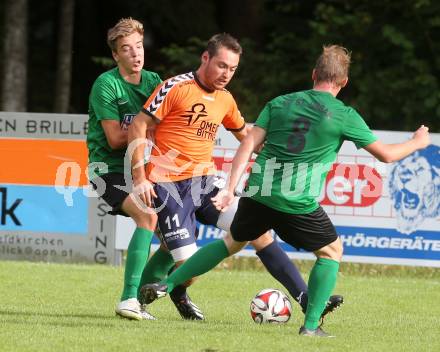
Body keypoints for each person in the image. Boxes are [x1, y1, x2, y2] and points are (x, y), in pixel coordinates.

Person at [139, 45, 431, 337]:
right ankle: (312, 325)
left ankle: (168, 283)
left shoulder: (279, 103)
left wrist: (230, 189)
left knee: (233, 242)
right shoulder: (343, 114)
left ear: (314, 74)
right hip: (295, 202)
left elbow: (247, 145)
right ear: (343, 82)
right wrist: (418, 142)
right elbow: (387, 155)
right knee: (332, 251)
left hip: (257, 194)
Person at [129, 34, 343, 321]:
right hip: (168, 185)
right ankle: (149, 297)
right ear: (205, 58)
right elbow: (138, 126)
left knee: (257, 234)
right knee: (186, 265)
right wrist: (140, 176)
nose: (226, 74)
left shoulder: (226, 100)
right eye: (221, 65)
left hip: (205, 183)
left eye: (232, 69)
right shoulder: (175, 87)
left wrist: (283, 151)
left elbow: (247, 136)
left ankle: (306, 298)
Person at [87, 17, 185, 321]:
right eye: (126, 49)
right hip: (109, 169)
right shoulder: (107, 84)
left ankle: (143, 297)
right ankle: (128, 298)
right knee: (147, 214)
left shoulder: (155, 81)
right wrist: (144, 129)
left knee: (175, 236)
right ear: (116, 55)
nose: (135, 54)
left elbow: (169, 127)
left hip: (145, 166)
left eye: (139, 46)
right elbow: (116, 139)